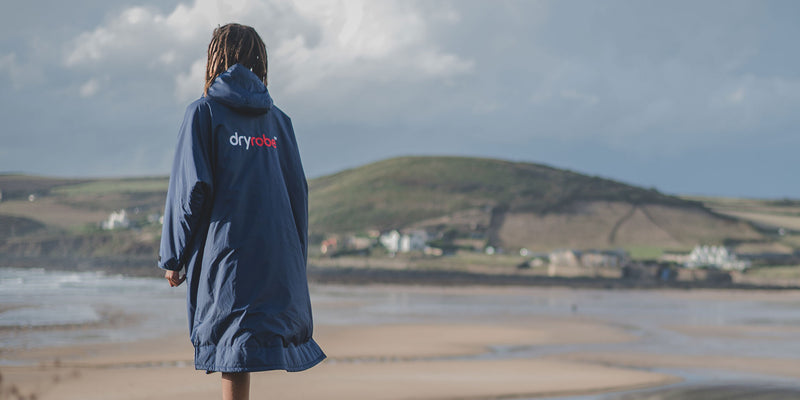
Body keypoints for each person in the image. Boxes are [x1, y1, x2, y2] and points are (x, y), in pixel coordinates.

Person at [159, 23, 326, 400]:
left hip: (228, 255)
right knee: (240, 349)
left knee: (233, 346)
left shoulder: (203, 113)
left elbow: (191, 190)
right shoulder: (279, 122)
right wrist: (296, 261)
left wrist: (173, 257)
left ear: (215, 59)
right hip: (277, 256)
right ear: (259, 62)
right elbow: (298, 193)